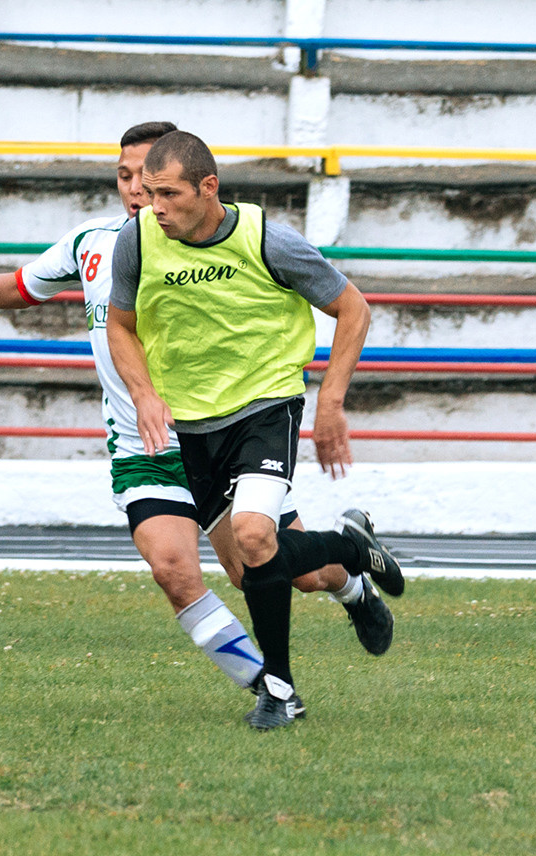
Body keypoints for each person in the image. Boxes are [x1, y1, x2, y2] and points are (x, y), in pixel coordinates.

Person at [0, 122, 393, 703]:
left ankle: (354, 586)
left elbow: (343, 305)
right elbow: (20, 287)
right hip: (142, 445)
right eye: (125, 177)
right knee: (173, 571)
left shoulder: (214, 240)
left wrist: (323, 399)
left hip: (218, 426)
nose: (137, 191)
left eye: (150, 180)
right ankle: (270, 689)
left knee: (278, 571)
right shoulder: (94, 244)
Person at [105, 131, 409, 730]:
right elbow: (120, 325)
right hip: (195, 425)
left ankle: (280, 692)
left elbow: (354, 308)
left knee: (252, 533)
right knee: (258, 570)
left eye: (166, 194)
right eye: (146, 192)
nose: (152, 206)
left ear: (208, 188)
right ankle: (350, 557)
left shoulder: (267, 239)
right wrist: (143, 392)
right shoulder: (136, 241)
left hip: (266, 407)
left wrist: (331, 403)